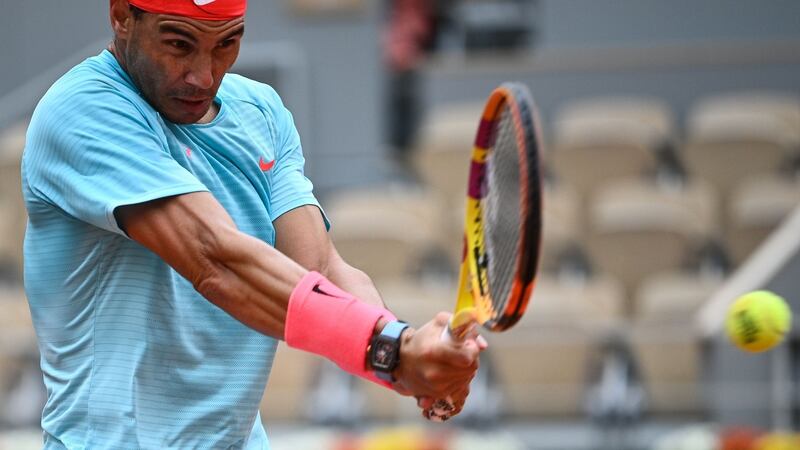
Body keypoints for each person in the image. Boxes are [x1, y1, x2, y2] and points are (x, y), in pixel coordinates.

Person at [21, 1, 485, 448]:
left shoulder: (261, 111)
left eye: (227, 44)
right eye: (179, 44)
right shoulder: (82, 110)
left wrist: (410, 355)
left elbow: (319, 267)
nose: (204, 75)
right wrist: (393, 352)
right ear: (122, 16)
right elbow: (215, 259)